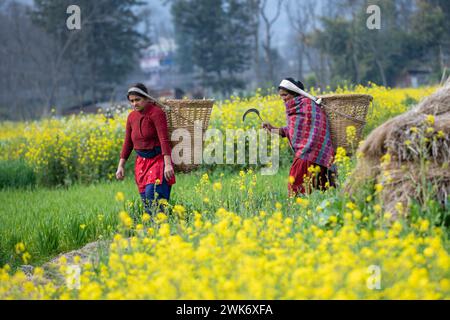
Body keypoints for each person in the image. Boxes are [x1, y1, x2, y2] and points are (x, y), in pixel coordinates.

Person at [262, 78, 336, 196]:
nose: (283, 99)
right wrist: (272, 129)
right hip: (315, 155)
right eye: (281, 96)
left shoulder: (307, 104)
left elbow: (316, 129)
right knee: (319, 190)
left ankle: (297, 210)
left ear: (294, 92)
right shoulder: (294, 108)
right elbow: (292, 131)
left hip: (310, 154)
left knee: (296, 188)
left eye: (285, 95)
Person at [116, 83, 176, 213]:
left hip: (158, 160)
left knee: (153, 194)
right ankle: (153, 230)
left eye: (138, 100)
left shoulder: (157, 113)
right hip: (142, 163)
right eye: (131, 101)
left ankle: (162, 228)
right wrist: (121, 165)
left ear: (147, 98)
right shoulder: (131, 117)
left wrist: (168, 164)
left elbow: (164, 139)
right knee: (146, 202)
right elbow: (128, 142)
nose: (134, 103)